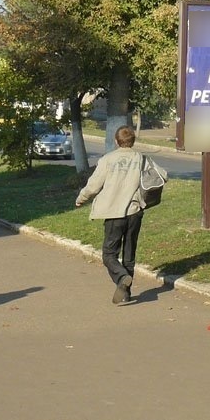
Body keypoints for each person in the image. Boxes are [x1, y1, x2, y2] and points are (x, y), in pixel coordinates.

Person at [75, 125, 166, 304]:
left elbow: (94, 185)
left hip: (114, 212)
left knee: (109, 253)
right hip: (135, 211)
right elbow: (163, 175)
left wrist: (81, 198)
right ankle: (125, 292)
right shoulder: (141, 158)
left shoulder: (108, 159)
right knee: (129, 254)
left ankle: (122, 277)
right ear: (133, 141)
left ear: (116, 141)